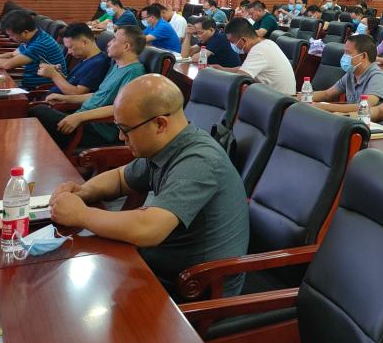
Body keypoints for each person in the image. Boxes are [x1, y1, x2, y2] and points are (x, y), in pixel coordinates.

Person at [49, 74, 250, 297]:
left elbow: (149, 228)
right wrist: (83, 192)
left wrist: (81, 214)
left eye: (125, 129)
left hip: (195, 288)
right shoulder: (168, 145)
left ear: (160, 124)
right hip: (162, 267)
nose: (120, 137)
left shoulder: (199, 161)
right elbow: (120, 178)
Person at [31, 25, 146, 149]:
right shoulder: (117, 66)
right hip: (84, 119)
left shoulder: (134, 71)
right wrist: (65, 98)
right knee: (39, 115)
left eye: (114, 40)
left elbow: (120, 108)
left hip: (98, 130)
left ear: (126, 47)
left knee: (38, 111)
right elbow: (98, 95)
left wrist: (79, 117)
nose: (109, 43)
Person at [311, 34, 383, 129]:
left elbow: (364, 107)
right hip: (357, 124)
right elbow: (327, 94)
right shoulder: (351, 73)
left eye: (348, 53)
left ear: (363, 56)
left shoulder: (377, 76)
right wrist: (304, 97)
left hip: (380, 130)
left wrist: (325, 107)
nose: (344, 56)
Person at [0, 9, 66, 89]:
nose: (10, 38)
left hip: (40, 90)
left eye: (12, 35)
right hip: (28, 84)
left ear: (25, 33)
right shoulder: (35, 35)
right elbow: (13, 54)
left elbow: (8, 64)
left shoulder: (40, 44)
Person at [220, 17, 295, 95]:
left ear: (243, 40)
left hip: (279, 99)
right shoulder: (267, 43)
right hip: (274, 96)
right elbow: (243, 69)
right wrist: (221, 69)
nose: (232, 45)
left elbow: (240, 77)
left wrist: (216, 76)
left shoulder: (259, 50)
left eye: (232, 42)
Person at [37, 23, 111, 96]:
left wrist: (54, 75)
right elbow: (73, 82)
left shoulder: (98, 63)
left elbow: (77, 93)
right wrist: (58, 74)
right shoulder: (86, 58)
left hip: (59, 102)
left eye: (70, 47)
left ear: (84, 42)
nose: (69, 52)